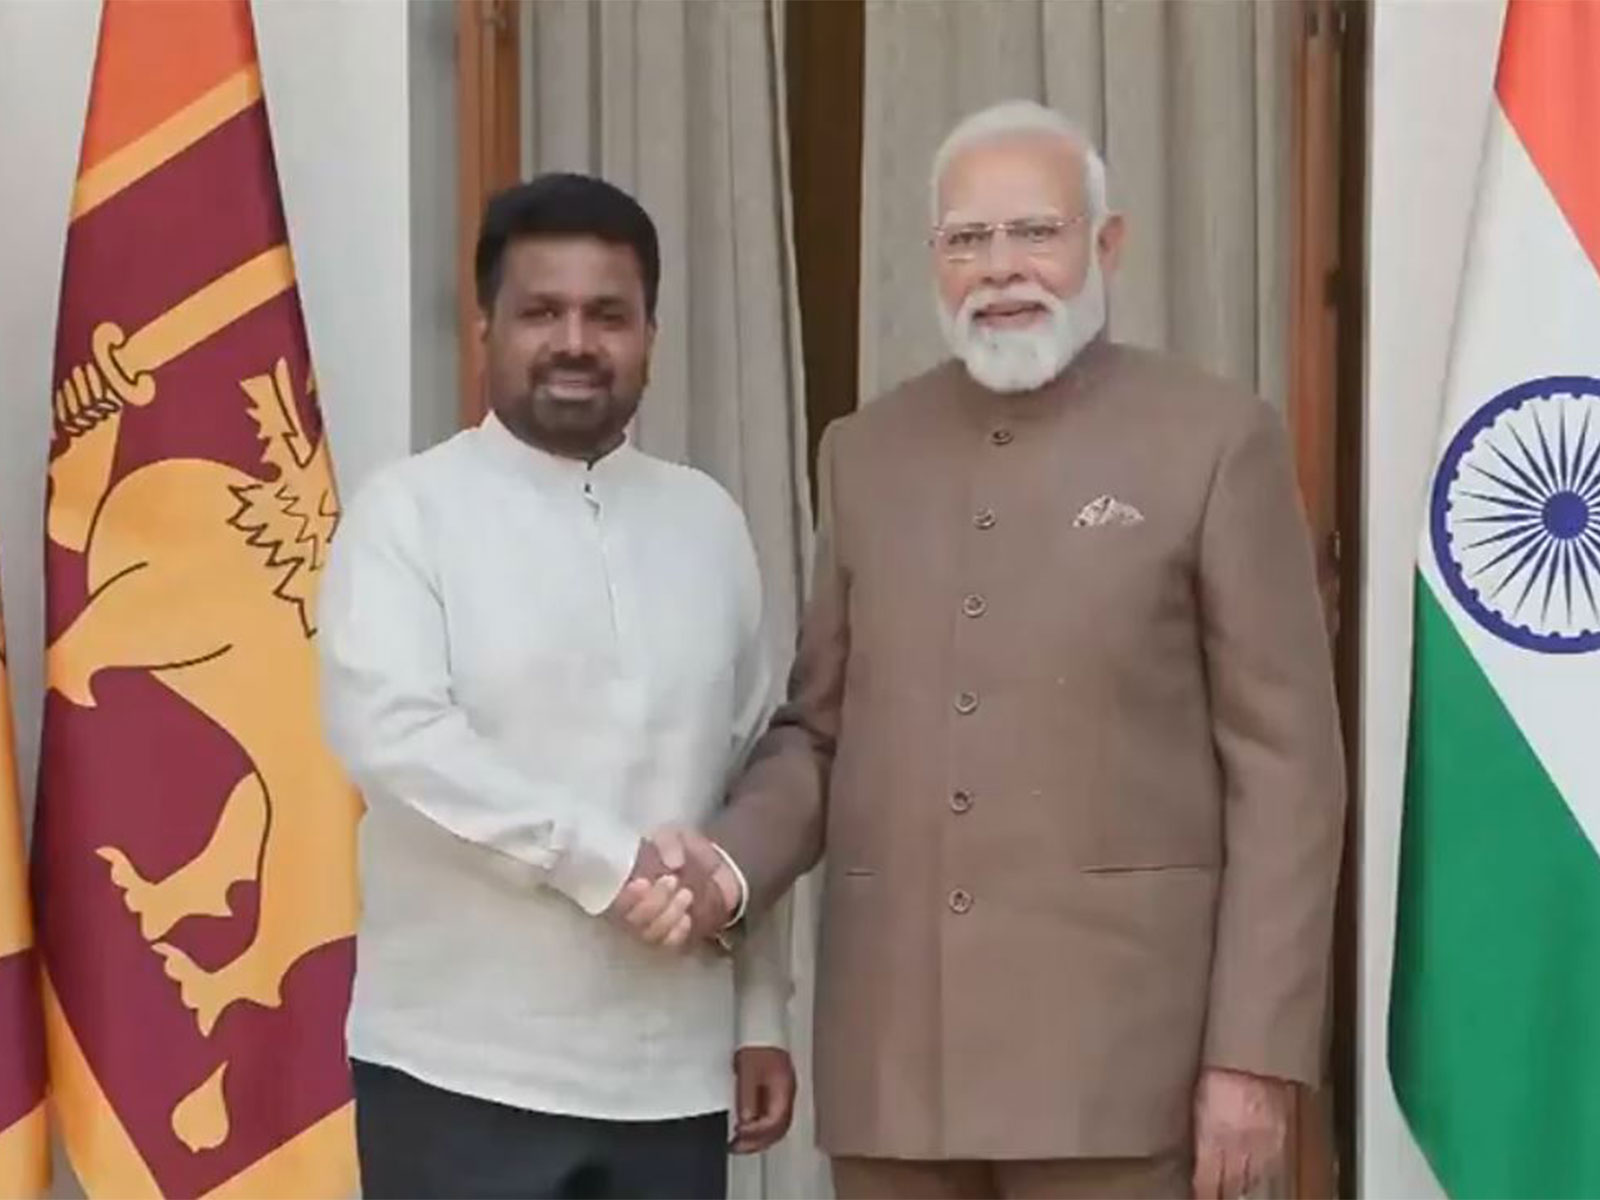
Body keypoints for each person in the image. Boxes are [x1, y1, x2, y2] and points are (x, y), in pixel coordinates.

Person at [682, 100, 1347, 1199]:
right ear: (933, 260)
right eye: (965, 241)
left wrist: (1255, 1054)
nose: (1000, 270)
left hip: (1123, 1071)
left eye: (1034, 232)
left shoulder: (1214, 438)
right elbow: (821, 730)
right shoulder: (865, 450)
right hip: (898, 1069)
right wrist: (727, 863)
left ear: (1105, 245)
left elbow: (1288, 772)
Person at [317, 172, 796, 1200]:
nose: (576, 341)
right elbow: (395, 737)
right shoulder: (409, 513)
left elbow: (750, 770)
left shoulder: (707, 522)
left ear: (649, 337)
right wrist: (605, 862)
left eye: (607, 315)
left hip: (671, 1074)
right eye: (542, 312)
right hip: (458, 1070)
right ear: (485, 326)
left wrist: (759, 1015)